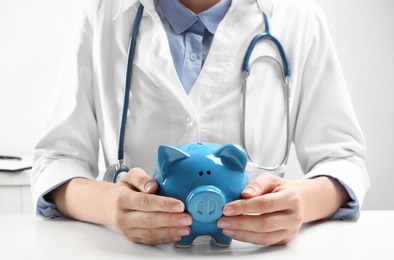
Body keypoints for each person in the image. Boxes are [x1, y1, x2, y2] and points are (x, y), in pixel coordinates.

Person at [31, 0, 370, 246]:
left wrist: (301, 200)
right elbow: (56, 163)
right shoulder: (104, 15)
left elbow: (343, 160)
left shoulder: (298, 17)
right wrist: (108, 204)